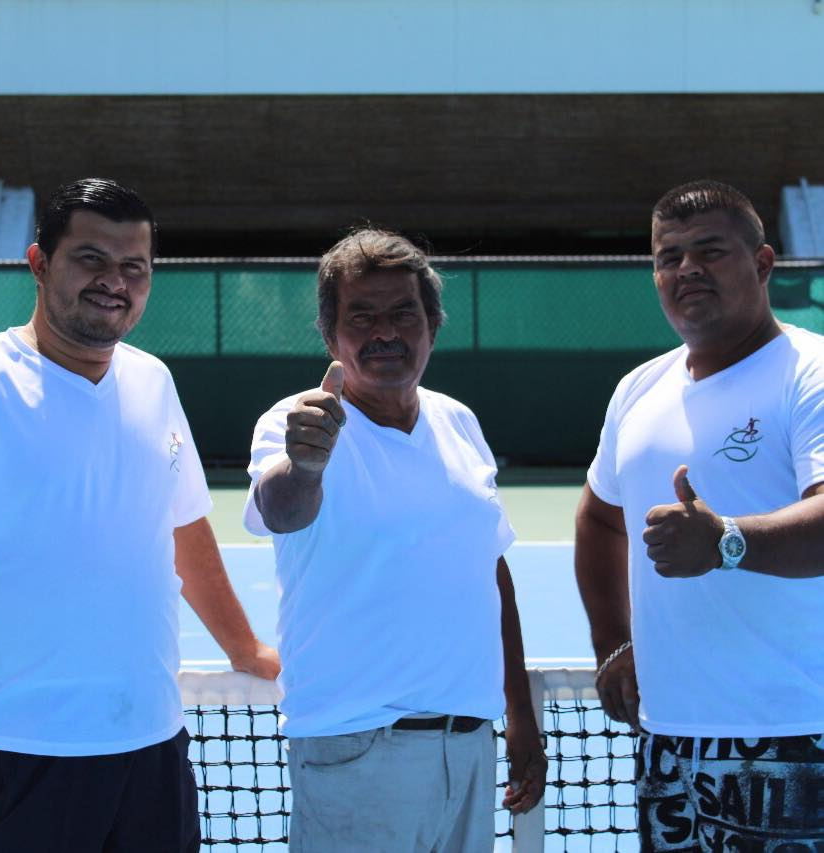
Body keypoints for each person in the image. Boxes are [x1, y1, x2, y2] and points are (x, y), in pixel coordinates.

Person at [0, 178, 279, 853]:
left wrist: (244, 648)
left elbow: (185, 528)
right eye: (91, 259)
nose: (115, 281)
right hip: (20, 745)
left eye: (134, 267)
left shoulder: (152, 380)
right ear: (38, 262)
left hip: (152, 744)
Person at [243, 228, 546, 852]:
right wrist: (304, 466)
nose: (386, 332)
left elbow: (490, 574)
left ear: (432, 325)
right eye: (362, 316)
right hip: (355, 749)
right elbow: (282, 510)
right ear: (331, 336)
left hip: (466, 748)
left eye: (404, 313)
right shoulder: (294, 421)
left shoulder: (460, 421)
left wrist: (522, 718)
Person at [575, 180, 824, 851]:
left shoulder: (809, 372)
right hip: (667, 740)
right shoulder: (638, 389)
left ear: (764, 264)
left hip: (792, 735)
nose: (686, 268)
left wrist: (727, 542)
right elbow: (600, 520)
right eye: (669, 256)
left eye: (710, 251)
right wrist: (613, 644)